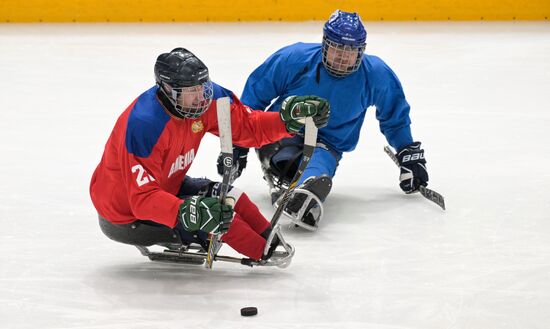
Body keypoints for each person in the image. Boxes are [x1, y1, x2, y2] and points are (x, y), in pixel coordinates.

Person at [89, 47, 329, 263]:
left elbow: (248, 127)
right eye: (191, 92)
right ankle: (263, 254)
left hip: (165, 186)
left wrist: (287, 120)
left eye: (202, 87)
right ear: (169, 91)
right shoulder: (145, 124)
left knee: (236, 199)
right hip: (124, 211)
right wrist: (184, 211)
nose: (202, 97)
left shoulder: (210, 99)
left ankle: (270, 243)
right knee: (222, 220)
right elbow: (141, 199)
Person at [218, 10, 430, 230]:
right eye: (337, 48)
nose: (342, 56)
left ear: (361, 51)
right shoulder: (293, 59)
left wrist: (408, 154)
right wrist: (239, 144)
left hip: (327, 145)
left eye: (350, 50)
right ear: (324, 44)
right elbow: (254, 97)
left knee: (319, 167)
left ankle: (305, 195)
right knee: (287, 161)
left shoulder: (376, 75)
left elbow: (394, 116)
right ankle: (299, 182)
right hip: (282, 132)